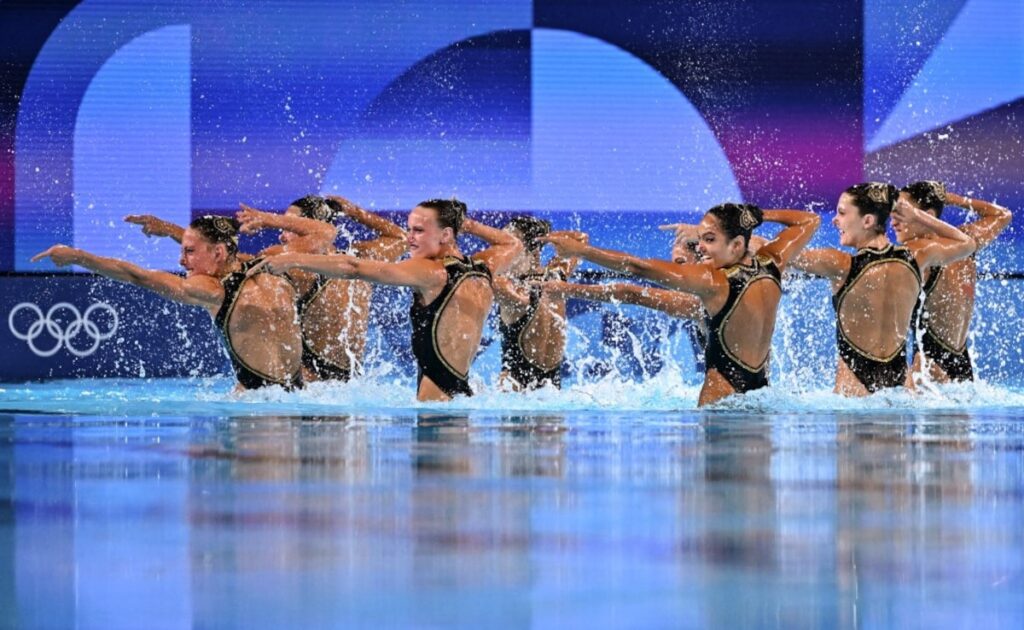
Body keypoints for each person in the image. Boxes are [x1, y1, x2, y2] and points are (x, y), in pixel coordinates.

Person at [541, 204, 820, 406]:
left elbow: (636, 269)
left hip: (720, 396)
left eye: (709, 240)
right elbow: (809, 221)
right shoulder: (775, 262)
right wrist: (756, 216)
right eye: (700, 240)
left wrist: (583, 252)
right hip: (761, 394)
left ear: (736, 245)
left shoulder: (713, 284)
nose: (700, 248)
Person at [255, 198, 522, 401]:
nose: (409, 238)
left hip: (433, 401)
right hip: (461, 391)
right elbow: (513, 245)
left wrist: (291, 259)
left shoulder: (431, 273)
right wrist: (466, 224)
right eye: (410, 229)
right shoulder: (483, 268)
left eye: (418, 231)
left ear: (446, 235)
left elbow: (354, 268)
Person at [127, 194, 406, 382]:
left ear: (311, 227)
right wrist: (353, 211)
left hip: (312, 381)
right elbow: (400, 237)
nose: (283, 233)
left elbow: (233, 263)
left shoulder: (295, 265)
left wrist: (170, 230)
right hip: (350, 383)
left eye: (291, 225)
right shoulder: (362, 259)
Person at [32, 216, 303, 390]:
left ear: (219, 252)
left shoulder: (211, 289)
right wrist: (171, 230)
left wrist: (77, 257)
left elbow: (138, 276)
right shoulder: (275, 267)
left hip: (257, 406)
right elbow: (325, 234)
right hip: (299, 392)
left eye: (189, 252)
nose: (181, 261)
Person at [790, 182, 976, 396]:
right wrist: (916, 215)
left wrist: (804, 224)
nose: (835, 220)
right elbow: (967, 244)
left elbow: (780, 256)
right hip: (900, 384)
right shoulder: (916, 256)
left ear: (867, 221)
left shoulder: (840, 264)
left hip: (854, 387)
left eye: (841, 213)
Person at [893, 182, 1012, 383]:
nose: (893, 221)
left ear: (927, 216)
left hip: (929, 366)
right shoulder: (965, 242)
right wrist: (949, 198)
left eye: (902, 212)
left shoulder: (918, 252)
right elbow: (1002, 215)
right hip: (961, 363)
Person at [493, 216, 584, 390]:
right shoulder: (557, 277)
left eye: (510, 246)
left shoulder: (511, 290)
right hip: (552, 395)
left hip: (514, 397)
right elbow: (580, 238)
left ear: (533, 252)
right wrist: (542, 238)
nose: (502, 252)